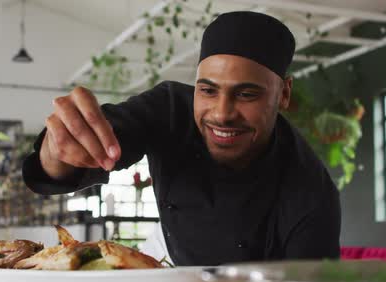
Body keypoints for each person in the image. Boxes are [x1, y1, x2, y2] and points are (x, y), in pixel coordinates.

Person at [23, 11, 341, 266]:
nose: (222, 113)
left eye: (246, 94)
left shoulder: (311, 192)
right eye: (208, 90)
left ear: (283, 94)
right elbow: (82, 154)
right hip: (168, 258)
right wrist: (57, 151)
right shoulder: (171, 109)